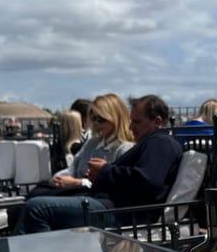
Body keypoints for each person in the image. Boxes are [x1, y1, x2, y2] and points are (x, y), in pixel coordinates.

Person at [19, 95, 182, 233]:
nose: (131, 127)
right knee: (30, 204)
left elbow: (147, 181)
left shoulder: (161, 143)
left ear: (157, 122)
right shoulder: (151, 143)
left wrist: (104, 171)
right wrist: (100, 175)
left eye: (137, 122)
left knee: (37, 208)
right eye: (131, 121)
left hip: (119, 211)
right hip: (110, 205)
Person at [28, 93, 133, 198]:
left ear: (115, 118)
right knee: (34, 195)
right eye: (93, 118)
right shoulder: (92, 143)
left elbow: (117, 185)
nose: (96, 123)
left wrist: (78, 183)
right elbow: (72, 169)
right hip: (79, 194)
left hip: (97, 199)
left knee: (38, 203)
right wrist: (58, 179)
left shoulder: (124, 148)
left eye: (101, 119)